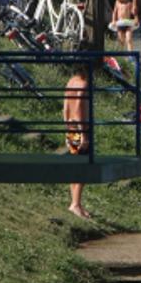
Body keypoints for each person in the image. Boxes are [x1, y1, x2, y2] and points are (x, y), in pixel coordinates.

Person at [63, 66, 91, 218]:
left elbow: (66, 105)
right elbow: (79, 106)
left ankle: (76, 202)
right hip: (82, 128)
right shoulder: (83, 84)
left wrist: (66, 123)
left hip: (71, 126)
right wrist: (84, 133)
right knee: (83, 166)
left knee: (75, 164)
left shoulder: (71, 81)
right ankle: (75, 203)